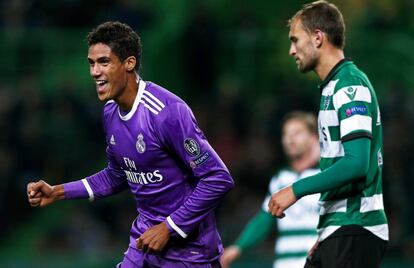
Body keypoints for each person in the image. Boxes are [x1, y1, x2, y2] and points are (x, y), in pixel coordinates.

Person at [27, 21, 234, 268]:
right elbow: (117, 175)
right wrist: (58, 191)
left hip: (189, 253)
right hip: (143, 244)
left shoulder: (167, 112)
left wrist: (169, 228)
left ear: (129, 63)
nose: (95, 72)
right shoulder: (110, 113)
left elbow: (218, 178)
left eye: (104, 62)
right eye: (91, 63)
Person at [268, 1, 388, 268]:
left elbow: (357, 163)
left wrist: (296, 190)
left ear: (318, 37)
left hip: (356, 226)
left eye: (295, 40)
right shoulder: (332, 87)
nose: (291, 50)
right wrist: (327, 230)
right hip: (339, 229)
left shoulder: (350, 85)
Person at [221, 111, 320, 268]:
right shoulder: (280, 179)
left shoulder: (325, 177)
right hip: (283, 263)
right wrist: (238, 247)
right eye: (285, 134)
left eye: (297, 133)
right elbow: (265, 219)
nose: (290, 139)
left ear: (314, 138)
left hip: (315, 263)